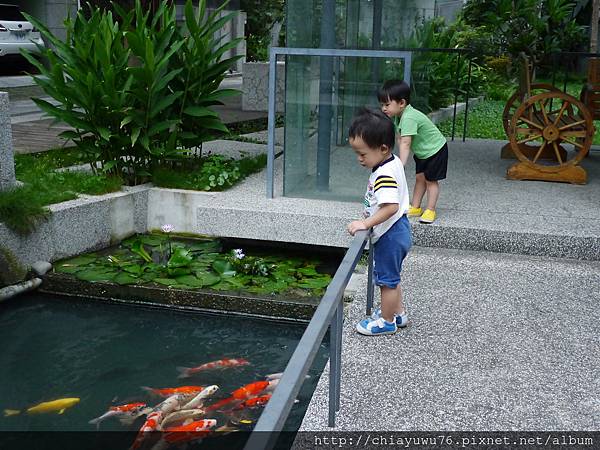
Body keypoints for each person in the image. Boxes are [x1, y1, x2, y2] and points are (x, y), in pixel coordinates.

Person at [347, 107, 412, 336]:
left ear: (383, 148)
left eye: (363, 154)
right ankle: (398, 313)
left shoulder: (383, 174)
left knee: (386, 281)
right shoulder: (391, 161)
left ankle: (386, 321)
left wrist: (365, 223)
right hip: (398, 230)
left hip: (390, 234)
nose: (359, 159)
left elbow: (390, 206)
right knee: (391, 278)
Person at [378, 79, 448, 224]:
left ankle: (430, 209)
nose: (383, 108)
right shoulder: (400, 116)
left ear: (401, 103)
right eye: (382, 105)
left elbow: (405, 142)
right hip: (423, 153)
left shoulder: (409, 117)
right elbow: (400, 138)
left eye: (387, 104)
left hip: (436, 150)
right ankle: (415, 206)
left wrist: (400, 164)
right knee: (420, 178)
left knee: (431, 181)